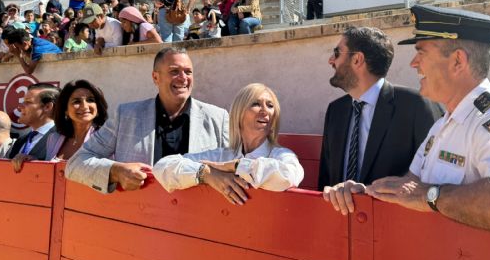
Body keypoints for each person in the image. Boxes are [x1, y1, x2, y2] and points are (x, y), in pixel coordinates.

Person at [328, 5, 490, 232]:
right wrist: (365, 192)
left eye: (422, 52)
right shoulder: (442, 125)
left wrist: (432, 196)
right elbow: (410, 186)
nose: (413, 63)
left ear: (458, 61)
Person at [66, 47, 229, 194]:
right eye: (174, 71)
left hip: (199, 221)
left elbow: (236, 166)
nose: (183, 78)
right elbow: (75, 164)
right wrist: (116, 171)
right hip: (141, 218)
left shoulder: (218, 118)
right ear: (155, 77)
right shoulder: (126, 115)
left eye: (188, 71)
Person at [320, 27, 442, 196]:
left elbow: (434, 176)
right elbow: (326, 179)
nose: (331, 60)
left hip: (393, 220)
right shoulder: (336, 111)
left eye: (337, 52)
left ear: (357, 59)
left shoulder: (415, 106)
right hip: (341, 219)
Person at [154, 83, 304, 205]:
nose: (265, 111)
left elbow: (289, 176)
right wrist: (206, 174)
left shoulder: (281, 155)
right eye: (256, 104)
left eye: (270, 106)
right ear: (238, 114)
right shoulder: (222, 155)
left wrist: (237, 166)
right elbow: (163, 166)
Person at [12, 80, 108, 171]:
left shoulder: (107, 139)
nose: (84, 106)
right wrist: (34, 160)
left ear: (98, 108)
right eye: (76, 101)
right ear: (65, 109)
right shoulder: (54, 139)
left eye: (90, 100)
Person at [7, 83, 60, 160]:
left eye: (28, 102)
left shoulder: (62, 138)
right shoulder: (20, 141)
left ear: (47, 107)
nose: (20, 106)